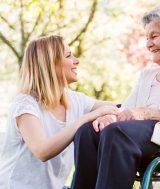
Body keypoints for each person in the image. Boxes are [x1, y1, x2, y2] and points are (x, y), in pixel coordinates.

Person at [72, 8, 160, 189]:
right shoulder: (147, 75)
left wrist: (149, 113)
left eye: (154, 36)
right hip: (141, 133)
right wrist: (111, 116)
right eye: (147, 38)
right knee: (87, 131)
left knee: (117, 133)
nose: (148, 44)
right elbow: (127, 107)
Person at [0, 35, 119, 189]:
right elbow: (42, 151)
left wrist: (109, 114)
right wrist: (87, 118)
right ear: (50, 64)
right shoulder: (25, 104)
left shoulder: (75, 100)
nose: (77, 61)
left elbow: (120, 107)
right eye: (68, 55)